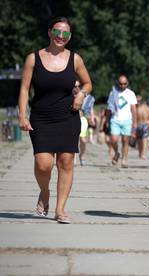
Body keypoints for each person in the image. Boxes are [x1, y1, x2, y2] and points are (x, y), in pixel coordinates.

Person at [18, 17, 92, 224]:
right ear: (49, 32)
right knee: (43, 165)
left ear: (70, 37)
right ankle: (44, 192)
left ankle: (60, 209)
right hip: (41, 118)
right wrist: (22, 115)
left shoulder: (75, 59)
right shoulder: (33, 58)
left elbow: (87, 83)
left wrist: (81, 95)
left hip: (68, 117)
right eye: (57, 32)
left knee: (66, 162)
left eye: (66, 34)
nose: (61, 37)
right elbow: (24, 88)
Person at [106, 75, 137, 168]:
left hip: (127, 120)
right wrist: (107, 121)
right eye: (120, 83)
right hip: (115, 119)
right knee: (114, 140)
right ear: (117, 83)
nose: (122, 85)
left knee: (125, 141)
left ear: (127, 83)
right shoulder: (113, 93)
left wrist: (135, 123)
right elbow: (108, 109)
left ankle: (124, 160)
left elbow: (134, 109)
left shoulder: (131, 93)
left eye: (125, 84)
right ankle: (116, 153)